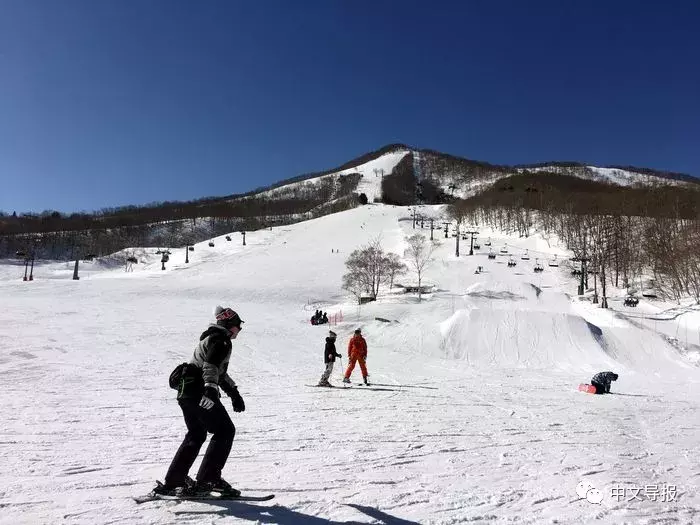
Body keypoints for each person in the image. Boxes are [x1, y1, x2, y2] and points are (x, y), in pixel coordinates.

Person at [153, 306, 246, 497]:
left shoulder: (210, 338)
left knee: (196, 434)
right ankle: (209, 479)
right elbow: (211, 367)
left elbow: (217, 371)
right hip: (199, 392)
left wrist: (233, 392)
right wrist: (211, 389)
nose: (239, 330)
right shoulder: (221, 340)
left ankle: (174, 481)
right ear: (229, 325)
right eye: (238, 326)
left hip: (186, 392)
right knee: (225, 431)